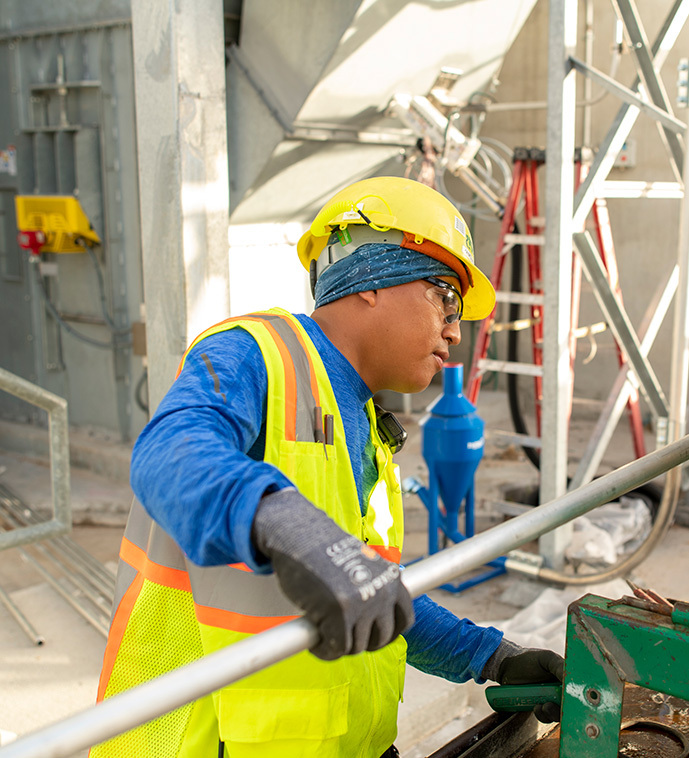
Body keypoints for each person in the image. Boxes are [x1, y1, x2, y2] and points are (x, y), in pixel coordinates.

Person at [92, 176, 563, 758]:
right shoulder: (255, 353)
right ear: (370, 277)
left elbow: (372, 590)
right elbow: (169, 452)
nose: (454, 331)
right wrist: (291, 526)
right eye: (446, 295)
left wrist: (490, 656)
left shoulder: (361, 421)